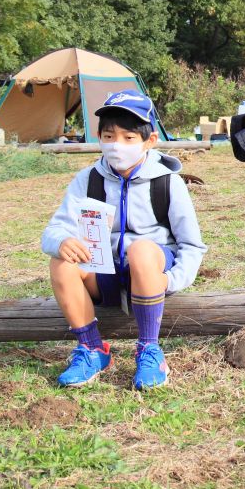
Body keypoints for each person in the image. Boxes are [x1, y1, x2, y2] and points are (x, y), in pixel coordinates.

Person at [42, 90, 206, 390]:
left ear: (150, 140)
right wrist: (62, 241)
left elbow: (192, 245)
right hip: (103, 273)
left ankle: (149, 349)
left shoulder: (167, 182)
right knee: (61, 262)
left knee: (141, 250)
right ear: (99, 138)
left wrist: (171, 280)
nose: (117, 145)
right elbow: (54, 230)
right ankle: (91, 349)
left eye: (128, 138)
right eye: (109, 136)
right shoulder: (87, 179)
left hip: (149, 273)